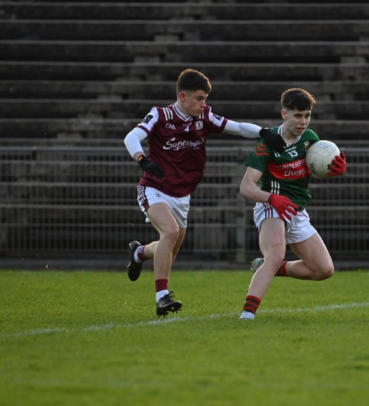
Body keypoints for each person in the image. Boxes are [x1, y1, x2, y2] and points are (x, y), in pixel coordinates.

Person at [123, 68, 286, 317]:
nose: (203, 104)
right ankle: (162, 297)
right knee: (170, 231)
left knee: (169, 248)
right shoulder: (160, 115)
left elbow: (237, 127)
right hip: (154, 188)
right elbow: (132, 137)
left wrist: (263, 132)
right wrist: (142, 159)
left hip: (182, 194)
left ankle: (140, 252)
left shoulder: (205, 117)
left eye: (205, 99)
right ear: (183, 95)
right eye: (199, 98)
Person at [237, 88, 346, 320]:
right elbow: (246, 187)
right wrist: (272, 198)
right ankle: (247, 315)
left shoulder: (311, 140)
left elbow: (311, 170)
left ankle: (271, 268)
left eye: (307, 115)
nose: (303, 121)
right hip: (271, 205)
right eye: (298, 115)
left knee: (324, 270)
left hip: (296, 209)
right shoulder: (268, 144)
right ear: (284, 114)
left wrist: (331, 170)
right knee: (275, 255)